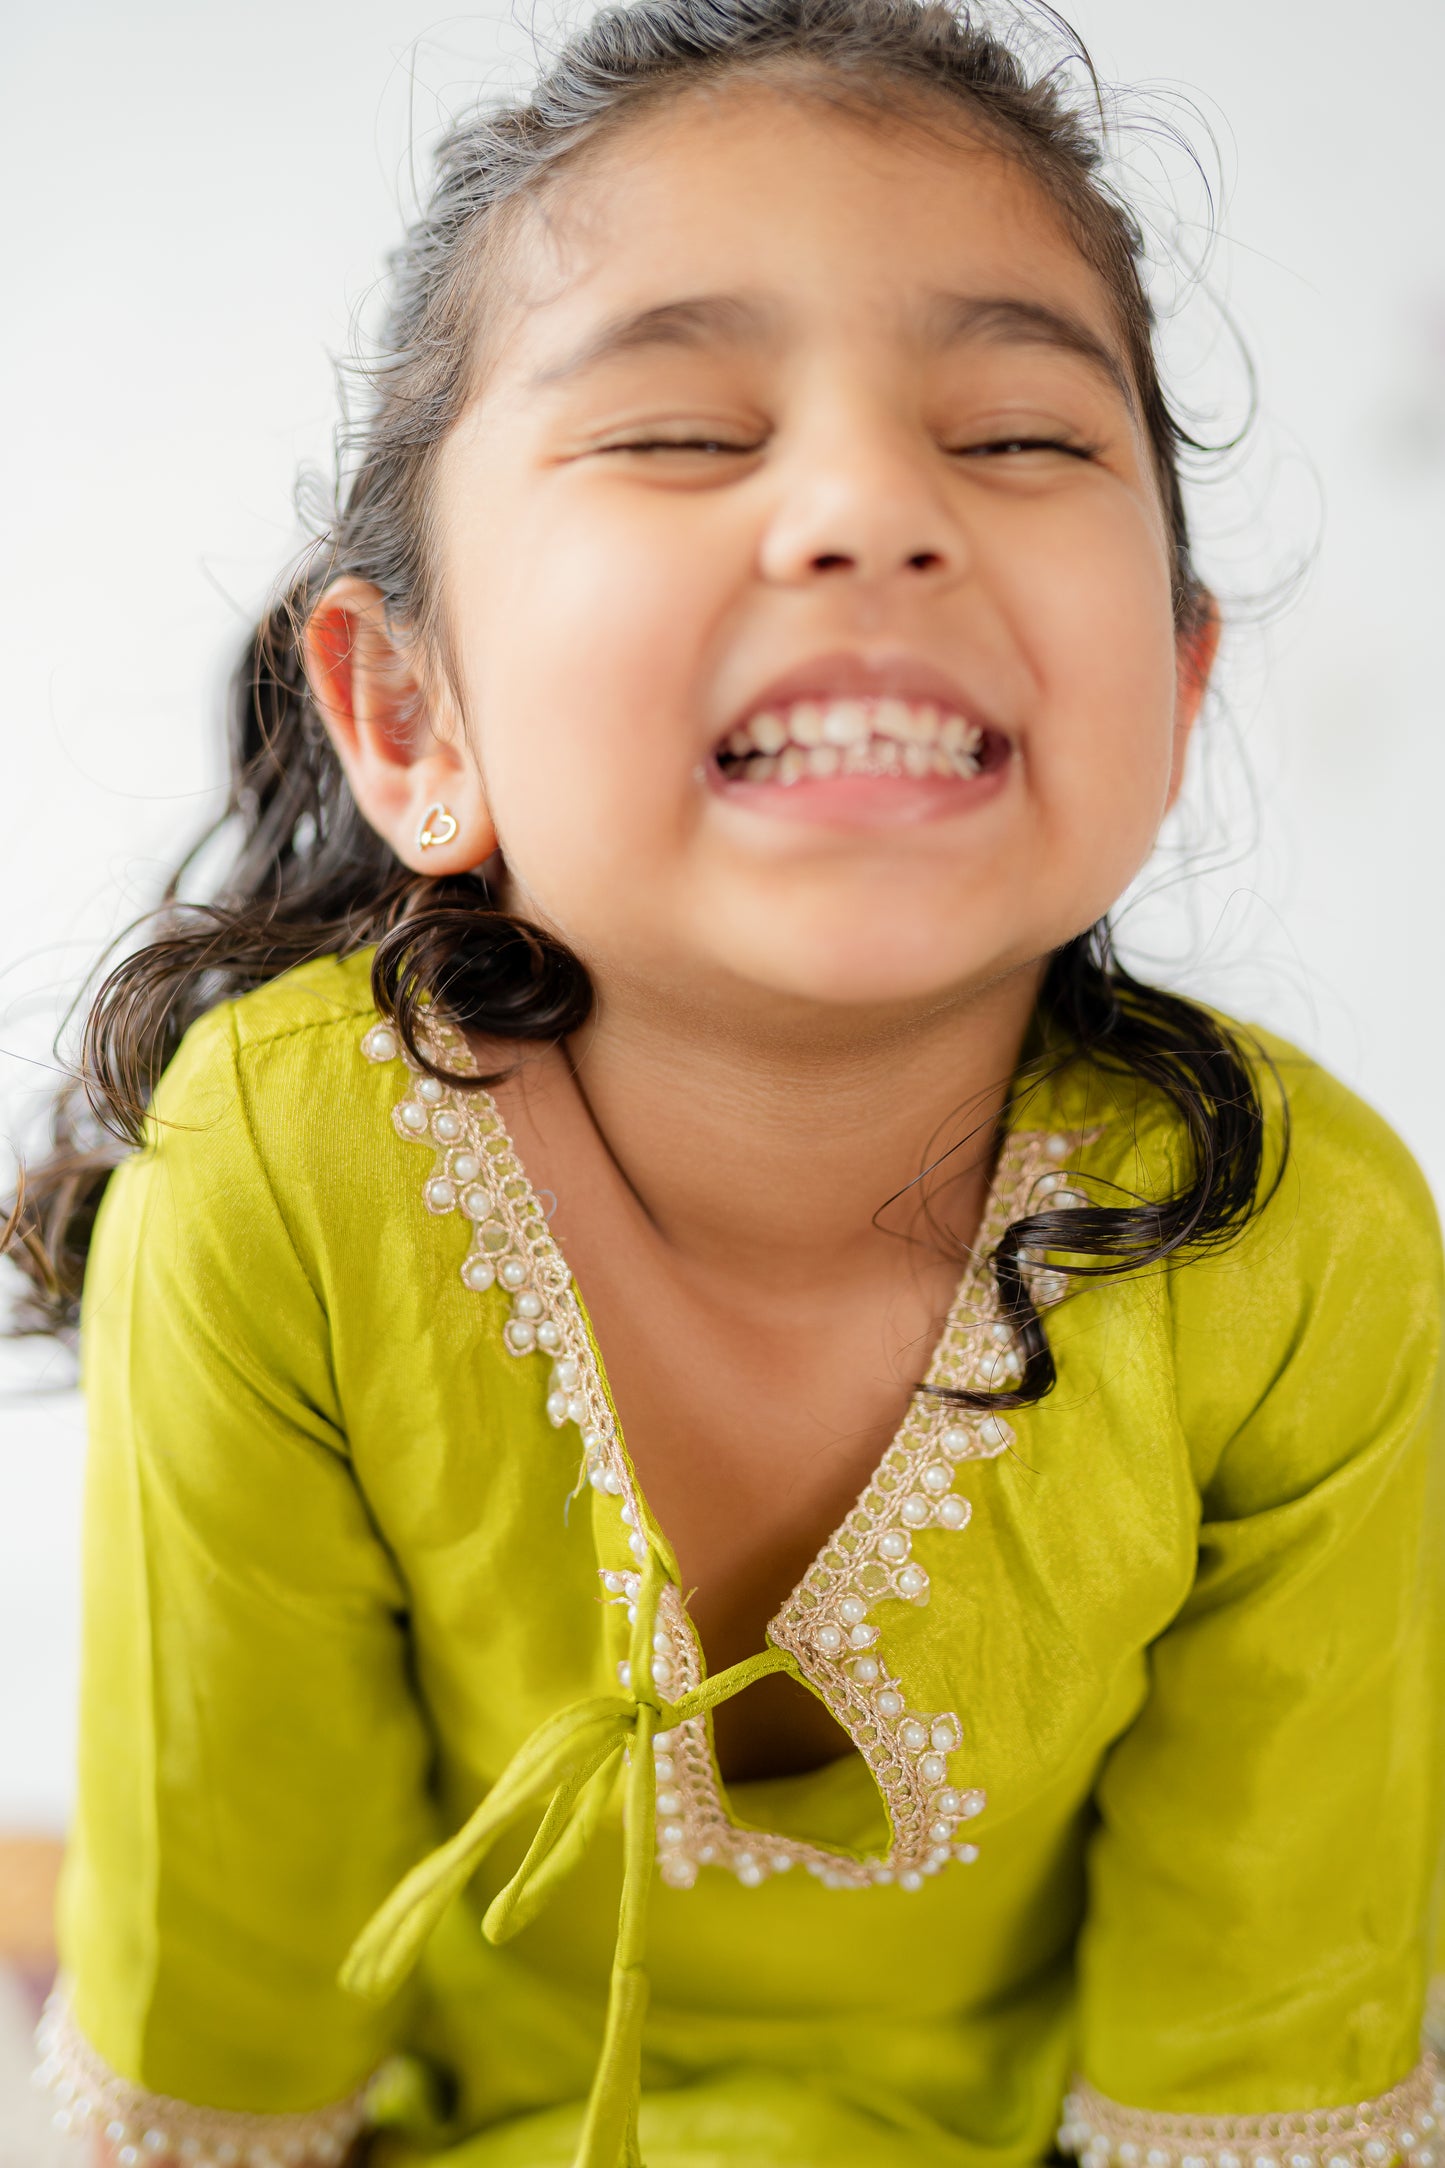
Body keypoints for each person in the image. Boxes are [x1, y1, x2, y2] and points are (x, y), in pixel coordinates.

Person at [8, 1, 1444, 2163]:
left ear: (1173, 681)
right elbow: (227, 2027)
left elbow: (1262, 2068)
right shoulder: (278, 1173)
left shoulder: (1307, 1249)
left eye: (1026, 439)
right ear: (406, 716)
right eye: (684, 432)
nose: (872, 505)